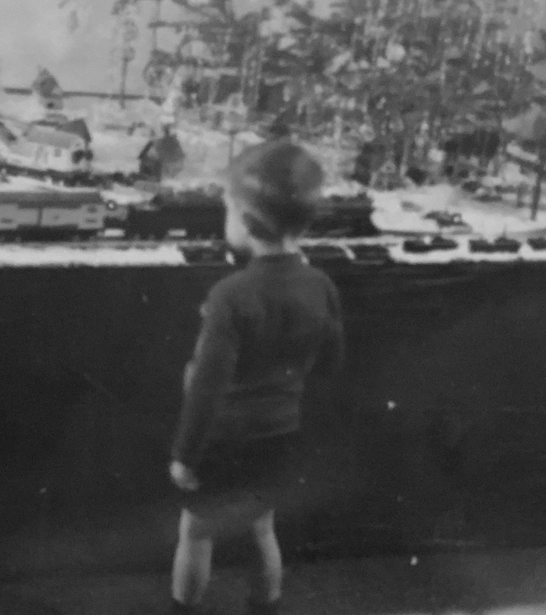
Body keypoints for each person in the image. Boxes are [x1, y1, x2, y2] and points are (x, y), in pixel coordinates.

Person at [168, 139, 346, 615]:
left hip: (224, 439)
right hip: (280, 436)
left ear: (245, 222)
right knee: (262, 527)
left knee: (197, 532)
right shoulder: (320, 285)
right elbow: (330, 364)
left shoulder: (231, 294)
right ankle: (265, 607)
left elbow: (207, 386)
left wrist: (185, 456)